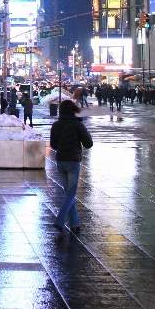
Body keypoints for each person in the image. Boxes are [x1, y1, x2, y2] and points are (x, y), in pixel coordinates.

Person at [49, 100, 93, 233]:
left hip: (61, 161)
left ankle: (74, 223)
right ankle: (60, 220)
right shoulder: (78, 125)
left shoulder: (56, 125)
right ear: (74, 110)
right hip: (73, 162)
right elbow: (88, 143)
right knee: (71, 193)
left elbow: (53, 145)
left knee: (69, 193)